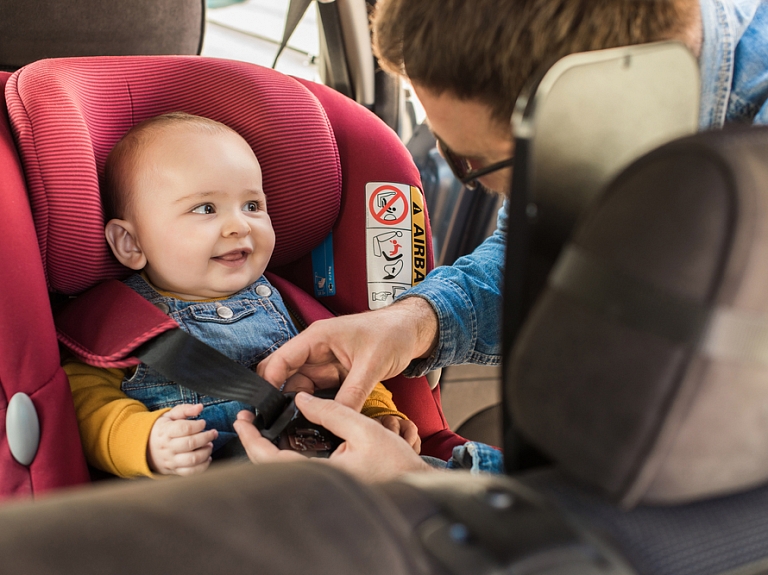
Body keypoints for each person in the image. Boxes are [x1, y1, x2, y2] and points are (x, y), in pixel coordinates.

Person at [236, 0, 768, 482]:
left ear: (602, 101)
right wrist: (415, 321)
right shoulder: (586, 116)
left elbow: (716, 502)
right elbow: (535, 249)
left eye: (476, 160)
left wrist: (429, 486)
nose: (476, 180)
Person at [64, 112, 419, 479]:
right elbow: (86, 405)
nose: (239, 226)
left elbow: (346, 365)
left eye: (252, 206)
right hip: (218, 497)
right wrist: (147, 442)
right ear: (131, 242)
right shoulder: (119, 323)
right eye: (205, 209)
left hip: (330, 473)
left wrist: (378, 413)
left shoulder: (290, 304)